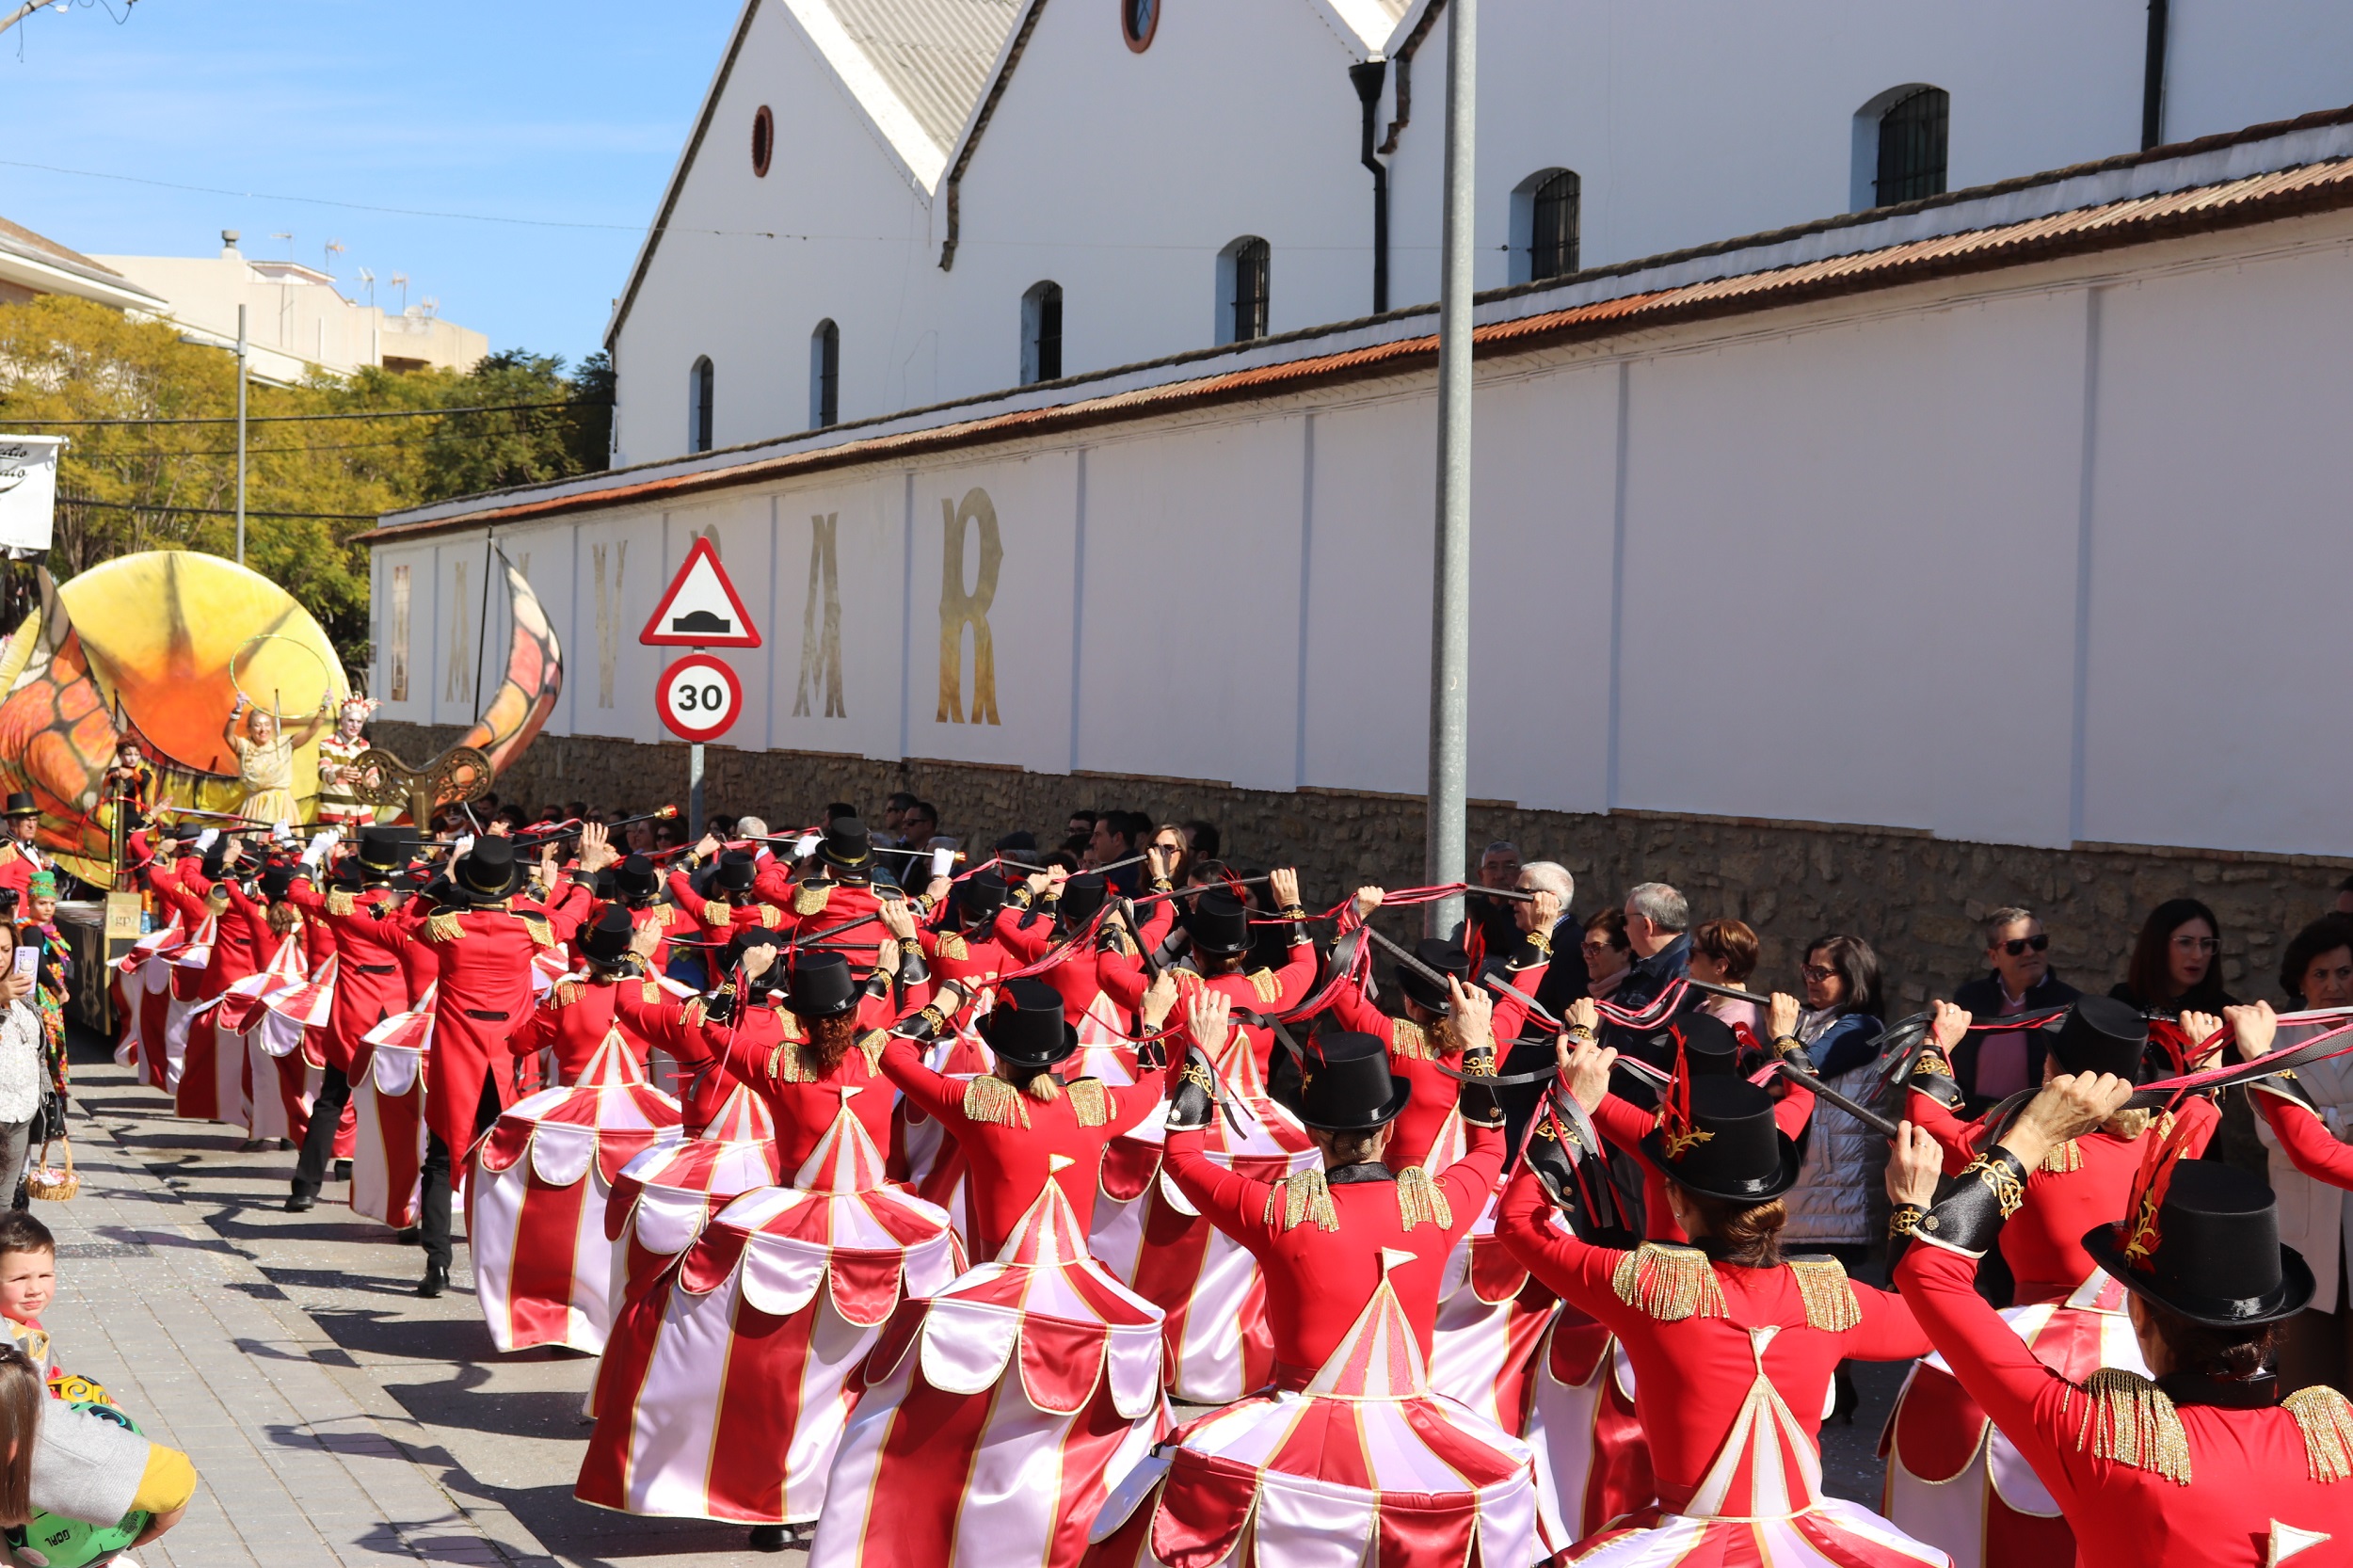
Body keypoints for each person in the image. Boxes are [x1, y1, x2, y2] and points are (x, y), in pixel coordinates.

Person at [1088, 985, 1538, 1568]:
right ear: (1389, 1128)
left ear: (1315, 1134)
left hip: (1293, 1424)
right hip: (1417, 1430)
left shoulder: (1281, 1212)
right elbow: (1488, 1149)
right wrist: (1479, 1048)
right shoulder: (1436, 1207)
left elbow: (1183, 1158)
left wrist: (1200, 1053)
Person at [1493, 1032, 1939, 1568]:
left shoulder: (1647, 1286)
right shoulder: (1828, 1296)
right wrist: (1912, 1208)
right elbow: (1929, 1318)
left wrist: (1569, 1107)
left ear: (1677, 1202)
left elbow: (1518, 1223)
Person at [1889, 1071, 2353, 1568]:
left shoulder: (2100, 1435)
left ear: (2139, 1313)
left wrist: (2032, 1136)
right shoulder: (2338, 1441)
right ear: (2270, 1323)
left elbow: (1930, 1272)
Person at [1886, 994, 2211, 1568]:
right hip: (2141, 1356)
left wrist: (1938, 1045)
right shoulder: (2168, 1138)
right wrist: (2200, 1050)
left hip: (2028, 1344)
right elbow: (2204, 1103)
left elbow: (1932, 1123)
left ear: (2050, 1071)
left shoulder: (2025, 1139)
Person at [405, 837, 556, 1297]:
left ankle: (438, 1263)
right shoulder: (530, 928)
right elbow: (569, 918)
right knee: (506, 1160)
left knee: (439, 1155)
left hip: (458, 1053)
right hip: (508, 1055)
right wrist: (560, 884)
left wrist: (442, 880)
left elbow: (404, 916)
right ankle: (504, 1257)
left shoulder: (445, 927)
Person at [283, 828, 416, 1213]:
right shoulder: (405, 905)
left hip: (353, 1012)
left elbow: (296, 892)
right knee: (397, 1106)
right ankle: (391, 1188)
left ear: (361, 872)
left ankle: (305, 1187)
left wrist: (312, 852)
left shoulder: (343, 905)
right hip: (394, 1016)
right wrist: (456, 866)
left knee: (331, 1102)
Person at [2250, 915, 2353, 1393]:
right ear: (2301, 980)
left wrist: (2316, 1119)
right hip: (2305, 1220)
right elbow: (2272, 1130)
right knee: (2307, 1371)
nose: (2333, 985)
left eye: (2345, 973)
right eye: (2321, 974)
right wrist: (2339, 1123)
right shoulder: (2275, 1041)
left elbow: (2301, 1124)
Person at [0, 1344, 198, 1553]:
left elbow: (173, 1480)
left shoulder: (46, 1442)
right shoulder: (40, 1437)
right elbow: (175, 1481)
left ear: (15, 1445)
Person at [1771, 934, 1888, 1266]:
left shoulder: (1861, 1027)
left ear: (1852, 977)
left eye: (1821, 973)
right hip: (1808, 1184)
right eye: (1807, 970)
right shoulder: (1811, 1020)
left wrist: (1781, 1034)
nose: (1810, 980)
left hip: (1836, 1186)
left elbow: (1802, 1072)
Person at [1949, 907, 2081, 1112]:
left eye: (2038, 942)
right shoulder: (1970, 999)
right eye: (2015, 947)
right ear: (1994, 957)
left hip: (2033, 1125)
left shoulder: (2071, 1004)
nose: (2029, 952)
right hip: (1971, 1122)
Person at [222, 696, 329, 828]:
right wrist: (237, 710)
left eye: (267, 724)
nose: (263, 730)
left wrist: (324, 708)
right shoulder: (244, 747)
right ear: (249, 729)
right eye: (257, 725)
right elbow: (227, 735)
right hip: (255, 808)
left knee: (283, 845)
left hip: (282, 807)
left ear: (272, 727)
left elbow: (311, 731)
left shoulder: (283, 745)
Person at [0, 926, 43, 1213]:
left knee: (4, 1202)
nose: (0, 958)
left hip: (21, 1114)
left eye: (5, 950)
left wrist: (53, 1115)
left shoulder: (22, 993)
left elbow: (37, 1055)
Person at [1615, 881, 1691, 1011]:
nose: (1624, 928)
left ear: (1646, 926)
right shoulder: (1653, 963)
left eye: (1625, 920)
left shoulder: (1684, 972)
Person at [1687, 917, 1764, 1041]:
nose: (1686, 961)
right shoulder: (1706, 1006)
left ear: (1720, 966)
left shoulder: (1735, 1023)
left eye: (1693, 954)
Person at [1452, 840, 1523, 974]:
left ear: (1520, 874)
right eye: (1492, 867)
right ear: (1481, 875)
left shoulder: (1525, 916)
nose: (1500, 875)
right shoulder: (1470, 910)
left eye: (1509, 866)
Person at [0, 1212, 56, 1377]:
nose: (35, 1289)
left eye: (45, 1276)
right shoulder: (7, 1348)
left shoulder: (26, 1322)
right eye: (20, 1278)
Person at [313, 696, 379, 828]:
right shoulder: (327, 743)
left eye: (359, 722)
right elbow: (323, 773)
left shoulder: (364, 745)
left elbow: (374, 774)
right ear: (341, 721)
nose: (355, 725)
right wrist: (338, 773)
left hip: (362, 813)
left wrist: (372, 781)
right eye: (351, 721)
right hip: (336, 812)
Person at [1582, 906, 1633, 1000]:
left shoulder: (1630, 1000)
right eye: (1585, 947)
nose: (1586, 955)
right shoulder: (1600, 995)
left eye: (1595, 947)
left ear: (1624, 953)